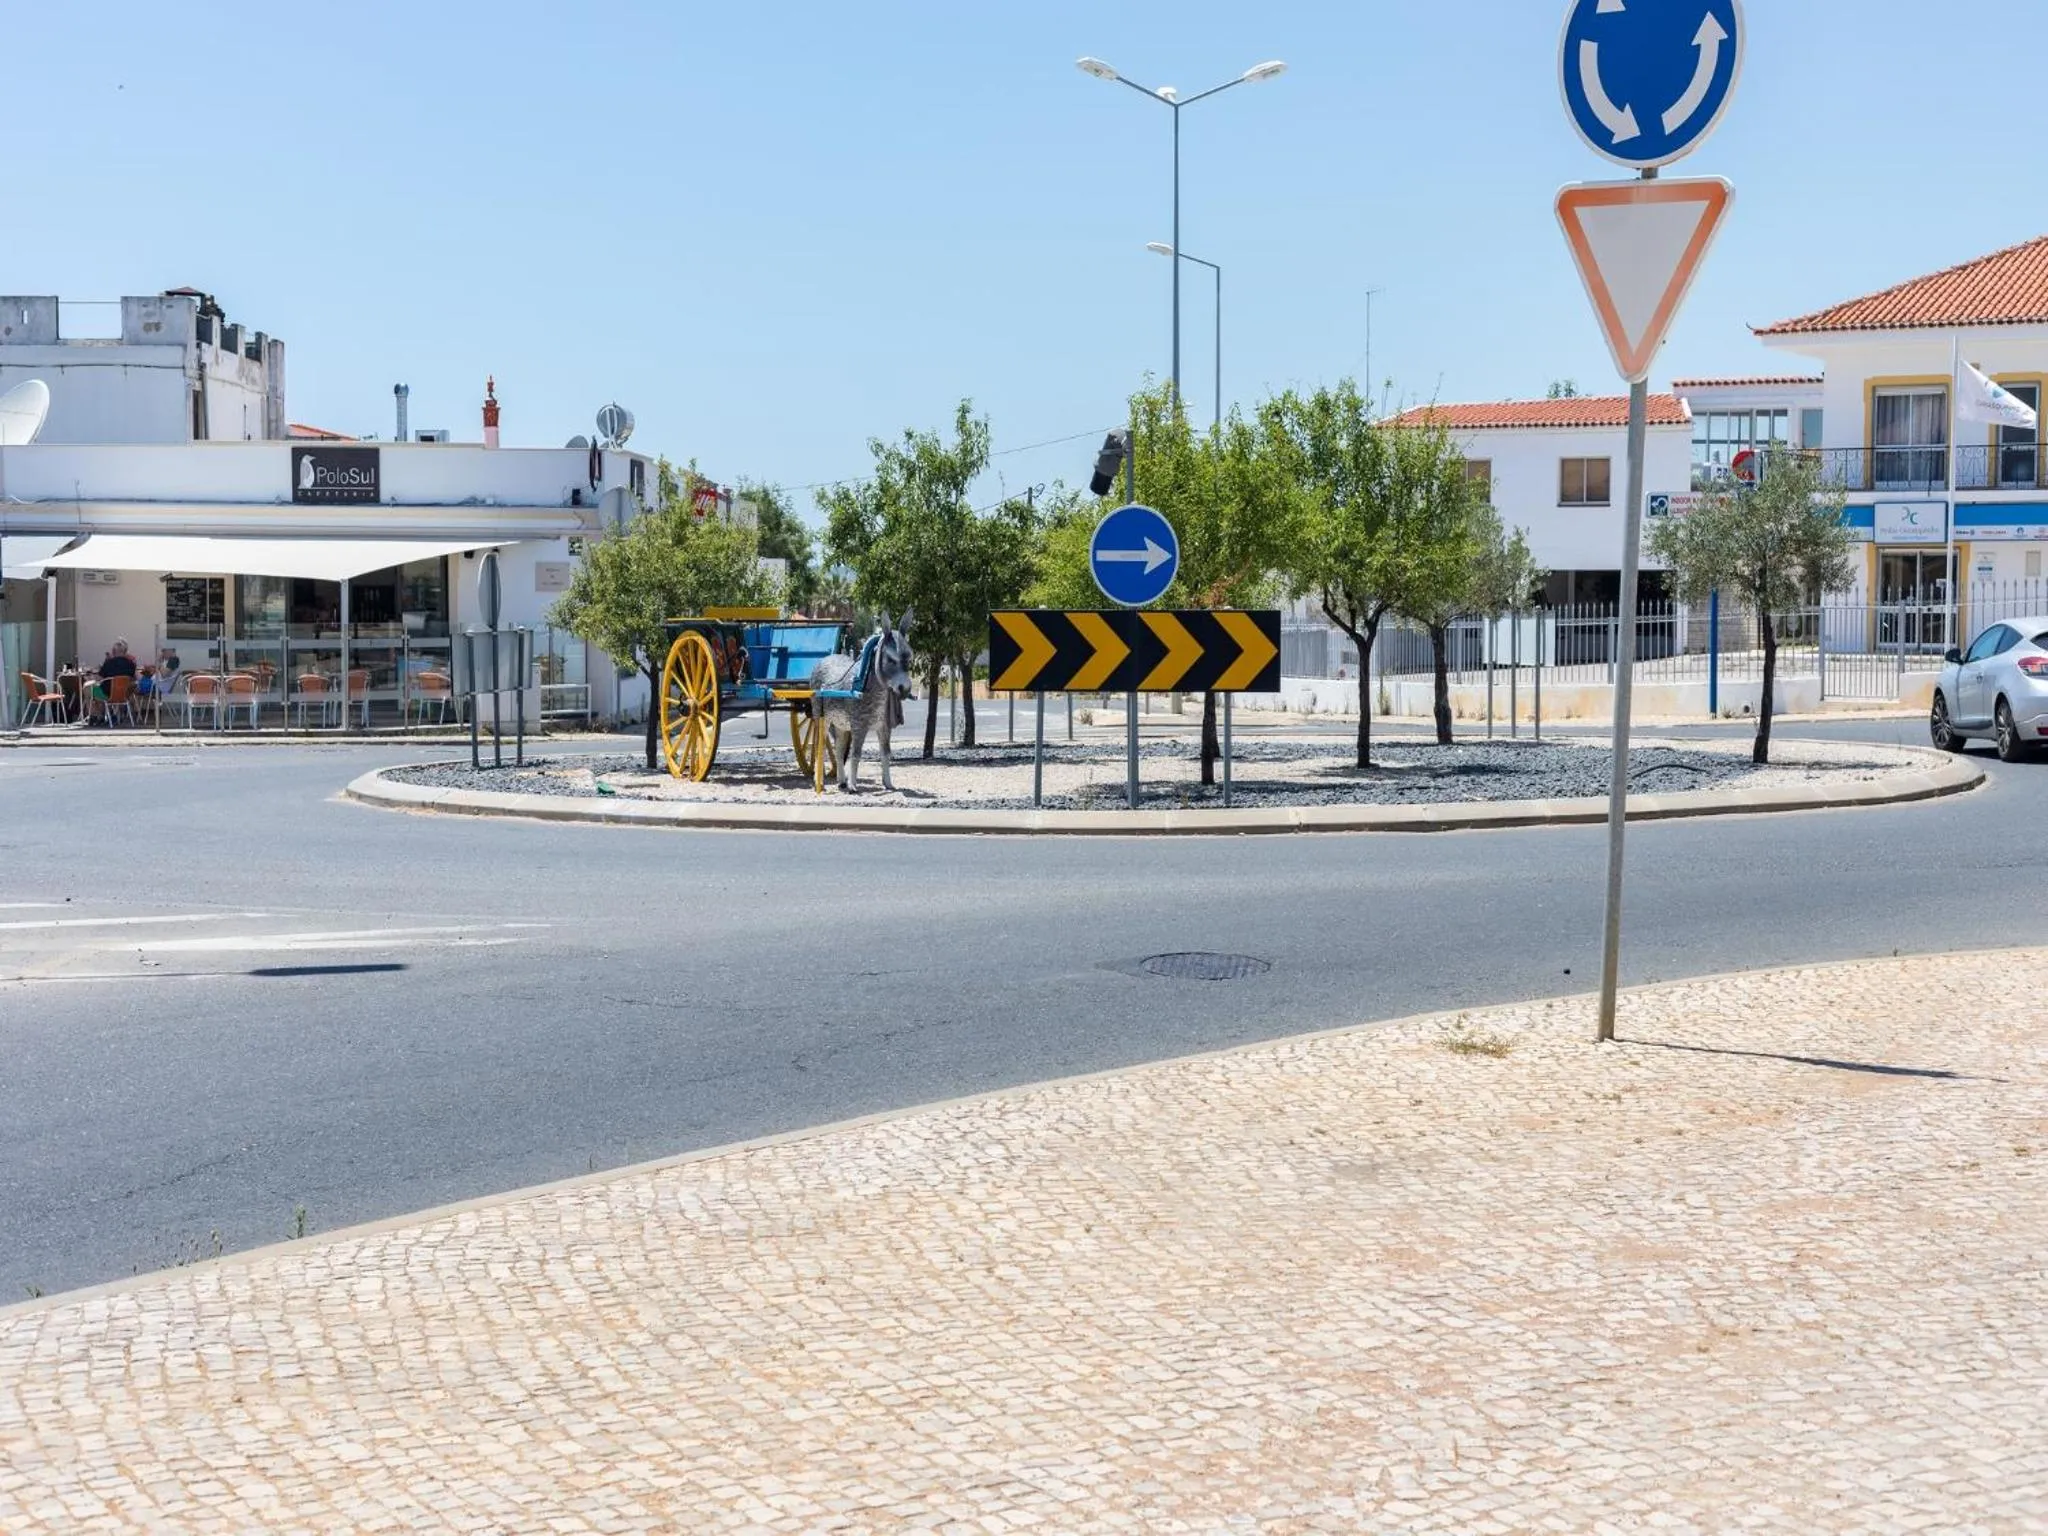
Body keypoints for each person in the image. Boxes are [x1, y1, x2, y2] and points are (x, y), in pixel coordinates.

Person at [87, 639, 139, 725]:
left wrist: (91, 677)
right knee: (98, 690)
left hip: (107, 694)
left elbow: (99, 678)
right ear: (125, 652)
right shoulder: (131, 664)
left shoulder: (109, 663)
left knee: (87, 688)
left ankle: (95, 715)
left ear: (114, 651)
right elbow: (134, 678)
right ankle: (105, 715)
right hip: (124, 694)